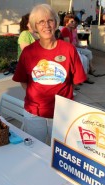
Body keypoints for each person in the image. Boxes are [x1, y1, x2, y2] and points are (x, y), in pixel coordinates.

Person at [12, 4, 87, 145]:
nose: (46, 25)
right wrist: (38, 95)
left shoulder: (69, 49)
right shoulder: (28, 52)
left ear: (56, 23)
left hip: (62, 113)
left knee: (59, 153)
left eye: (50, 20)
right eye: (41, 21)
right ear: (34, 26)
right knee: (35, 150)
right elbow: (23, 80)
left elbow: (76, 80)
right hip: (34, 113)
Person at [60, 13, 95, 84]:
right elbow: (68, 45)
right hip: (68, 51)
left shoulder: (69, 30)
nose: (74, 23)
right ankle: (79, 79)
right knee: (82, 60)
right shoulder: (65, 30)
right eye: (71, 22)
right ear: (66, 22)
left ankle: (83, 77)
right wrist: (78, 49)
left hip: (72, 49)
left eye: (74, 22)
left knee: (85, 59)